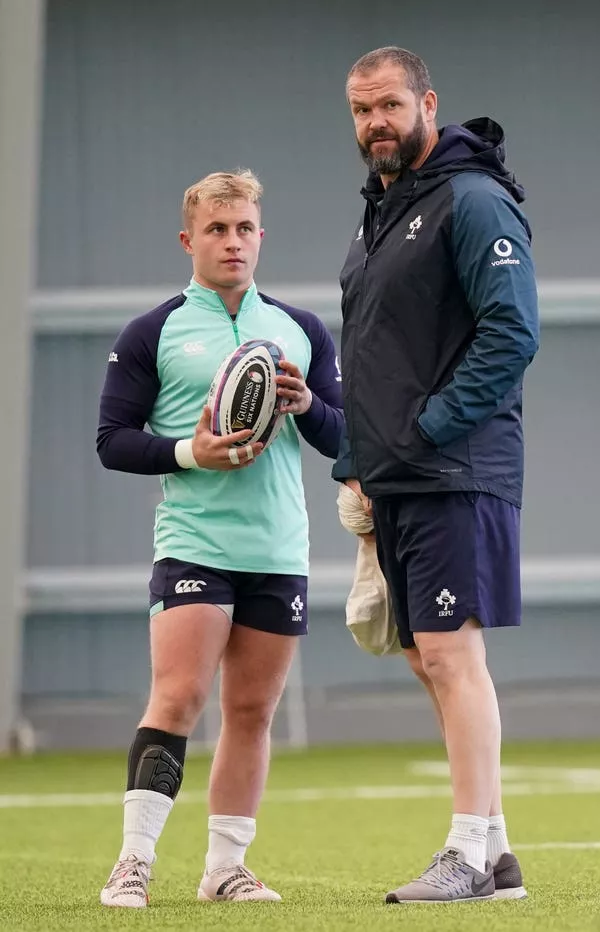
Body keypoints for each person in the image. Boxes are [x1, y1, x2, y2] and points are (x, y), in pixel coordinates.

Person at [96, 169, 343, 906]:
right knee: (177, 699)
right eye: (216, 229)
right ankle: (134, 860)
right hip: (195, 544)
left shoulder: (301, 329)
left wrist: (306, 405)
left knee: (252, 713)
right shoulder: (154, 331)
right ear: (189, 239)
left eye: (244, 229)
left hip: (278, 550)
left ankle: (224, 868)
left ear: (261, 236)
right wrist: (188, 452)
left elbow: (344, 439)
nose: (232, 242)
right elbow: (112, 440)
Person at [332, 47, 539, 904]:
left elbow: (511, 332)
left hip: (455, 468)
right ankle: (496, 855)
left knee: (452, 656)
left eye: (387, 105)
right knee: (427, 658)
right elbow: (376, 353)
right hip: (399, 477)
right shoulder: (381, 212)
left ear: (427, 102)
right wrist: (359, 463)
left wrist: (427, 429)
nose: (374, 123)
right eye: (359, 110)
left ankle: (466, 856)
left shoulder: (474, 198)